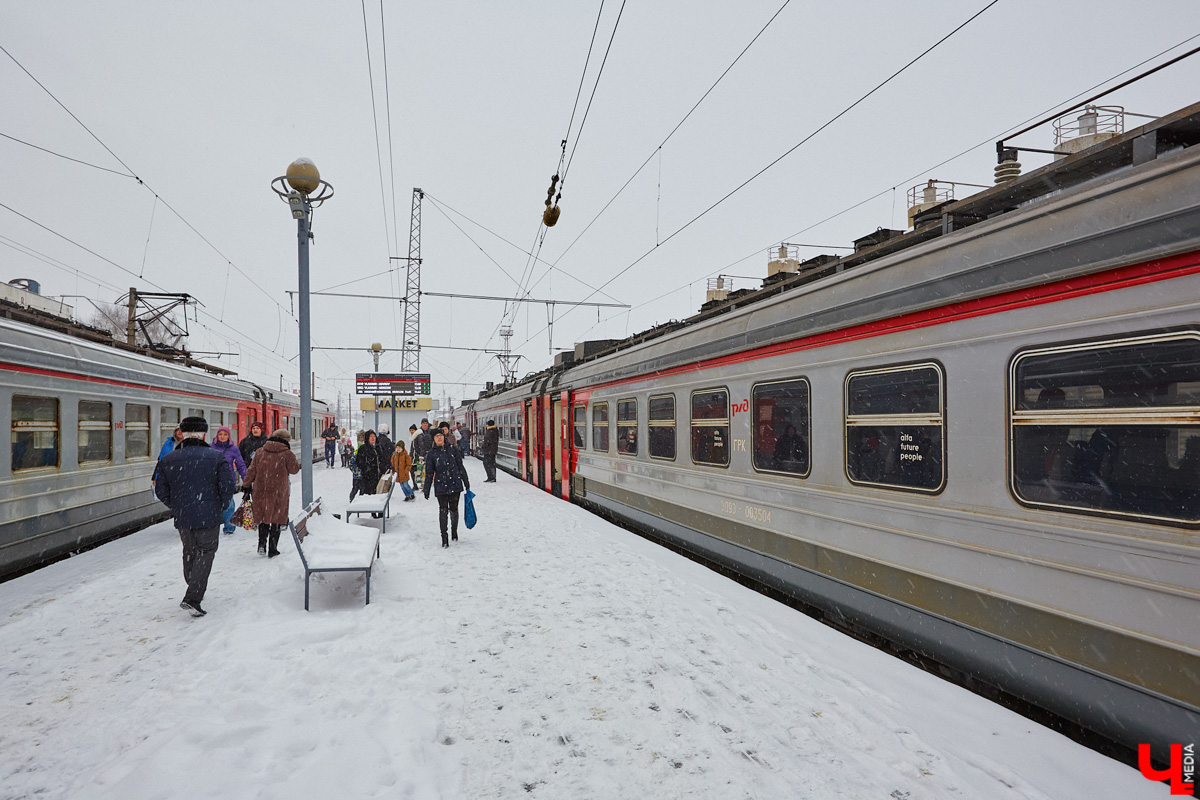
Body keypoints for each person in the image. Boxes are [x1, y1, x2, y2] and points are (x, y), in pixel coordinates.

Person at [154, 416, 235, 617]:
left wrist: (177, 505)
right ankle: (193, 598)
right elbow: (227, 486)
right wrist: (221, 505)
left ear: (183, 433)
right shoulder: (216, 457)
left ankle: (193, 584)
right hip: (209, 513)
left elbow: (161, 490)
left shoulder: (168, 459)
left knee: (189, 550)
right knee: (206, 552)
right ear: (204, 434)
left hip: (184, 515)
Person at [242, 428, 300, 557]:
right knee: (276, 518)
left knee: (263, 517)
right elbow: (294, 469)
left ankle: (261, 544)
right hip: (279, 491)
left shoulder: (260, 451)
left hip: (260, 490)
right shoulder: (286, 453)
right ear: (286, 441)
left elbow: (251, 470)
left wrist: (246, 485)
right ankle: (273, 548)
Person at [423, 428, 471, 548]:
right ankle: (444, 538)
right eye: (436, 436)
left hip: (455, 484)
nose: (439, 438)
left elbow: (460, 467)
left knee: (454, 509)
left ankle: (454, 532)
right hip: (441, 486)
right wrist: (426, 489)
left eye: (440, 435)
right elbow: (429, 473)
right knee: (443, 510)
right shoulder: (431, 454)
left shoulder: (453, 450)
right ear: (433, 439)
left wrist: (466, 482)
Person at [211, 425, 247, 533]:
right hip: (213, 480)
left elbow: (240, 465)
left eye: (225, 434)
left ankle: (229, 527)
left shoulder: (234, 449)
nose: (222, 437)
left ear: (229, 436)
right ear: (217, 435)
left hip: (228, 480)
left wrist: (246, 478)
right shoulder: (210, 447)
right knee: (213, 504)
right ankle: (213, 527)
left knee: (229, 504)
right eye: (220, 434)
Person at [355, 430, 383, 500]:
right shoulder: (363, 448)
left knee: (377, 497)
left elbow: (383, 460)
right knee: (367, 497)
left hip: (378, 477)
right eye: (371, 436)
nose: (373, 438)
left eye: (374, 436)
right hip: (367, 478)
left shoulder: (378, 448)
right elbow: (358, 462)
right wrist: (366, 468)